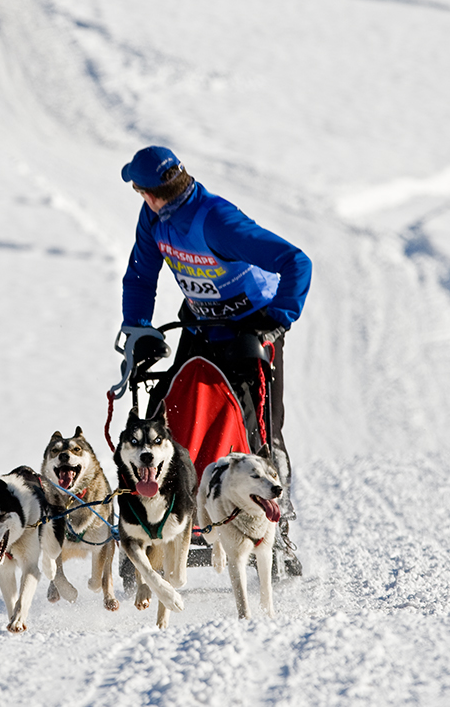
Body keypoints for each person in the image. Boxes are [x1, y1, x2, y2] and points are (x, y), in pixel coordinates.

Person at [117, 145, 312, 577]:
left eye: (139, 190)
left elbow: (296, 261)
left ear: (150, 192)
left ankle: (276, 532)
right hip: (201, 327)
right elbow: (141, 276)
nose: (140, 198)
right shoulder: (153, 219)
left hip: (251, 330)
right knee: (166, 411)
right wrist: (138, 328)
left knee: (262, 427)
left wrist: (277, 321)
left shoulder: (217, 219)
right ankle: (162, 525)